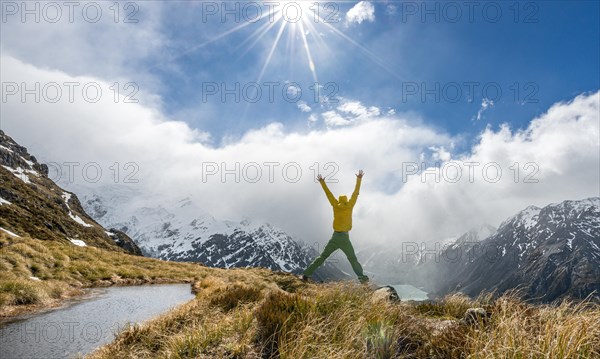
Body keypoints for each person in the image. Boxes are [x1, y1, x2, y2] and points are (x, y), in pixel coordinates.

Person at [302, 170, 369, 283]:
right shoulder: (350, 205)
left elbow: (328, 194)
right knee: (352, 259)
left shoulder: (335, 205)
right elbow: (355, 193)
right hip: (345, 238)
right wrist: (359, 179)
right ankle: (362, 279)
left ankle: (306, 274)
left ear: (339, 200)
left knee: (322, 257)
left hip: (335, 237)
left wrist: (322, 182)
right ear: (346, 200)